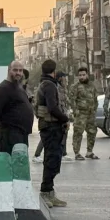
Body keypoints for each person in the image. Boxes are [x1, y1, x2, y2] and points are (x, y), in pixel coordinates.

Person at [35, 60, 70, 208]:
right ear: (54, 72)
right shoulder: (49, 85)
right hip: (51, 127)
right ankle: (45, 192)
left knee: (53, 159)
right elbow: (52, 108)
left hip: (51, 127)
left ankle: (49, 192)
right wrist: (65, 118)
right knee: (51, 159)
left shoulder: (46, 83)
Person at [0, 60, 33, 153]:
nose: (18, 73)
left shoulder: (18, 86)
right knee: (11, 160)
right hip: (10, 135)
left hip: (21, 134)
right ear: (9, 70)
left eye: (20, 70)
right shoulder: (4, 88)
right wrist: (10, 121)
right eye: (15, 70)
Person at [69, 66, 100, 160]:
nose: (82, 77)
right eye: (80, 75)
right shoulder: (75, 87)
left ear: (87, 75)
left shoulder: (92, 86)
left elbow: (95, 99)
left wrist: (94, 109)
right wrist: (76, 111)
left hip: (91, 114)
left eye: (83, 75)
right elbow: (72, 100)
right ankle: (77, 153)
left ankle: (89, 152)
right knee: (78, 133)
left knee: (92, 132)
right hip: (80, 114)